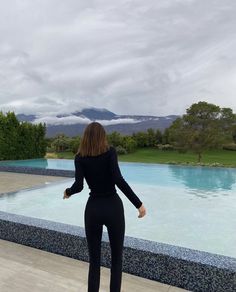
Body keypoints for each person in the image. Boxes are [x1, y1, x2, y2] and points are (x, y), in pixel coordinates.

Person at [63, 122, 146, 292]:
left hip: (93, 209)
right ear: (103, 136)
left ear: (85, 137)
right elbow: (118, 180)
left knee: (94, 261)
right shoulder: (110, 152)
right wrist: (138, 204)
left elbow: (79, 186)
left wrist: (68, 192)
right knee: (116, 259)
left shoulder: (79, 157)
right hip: (113, 207)